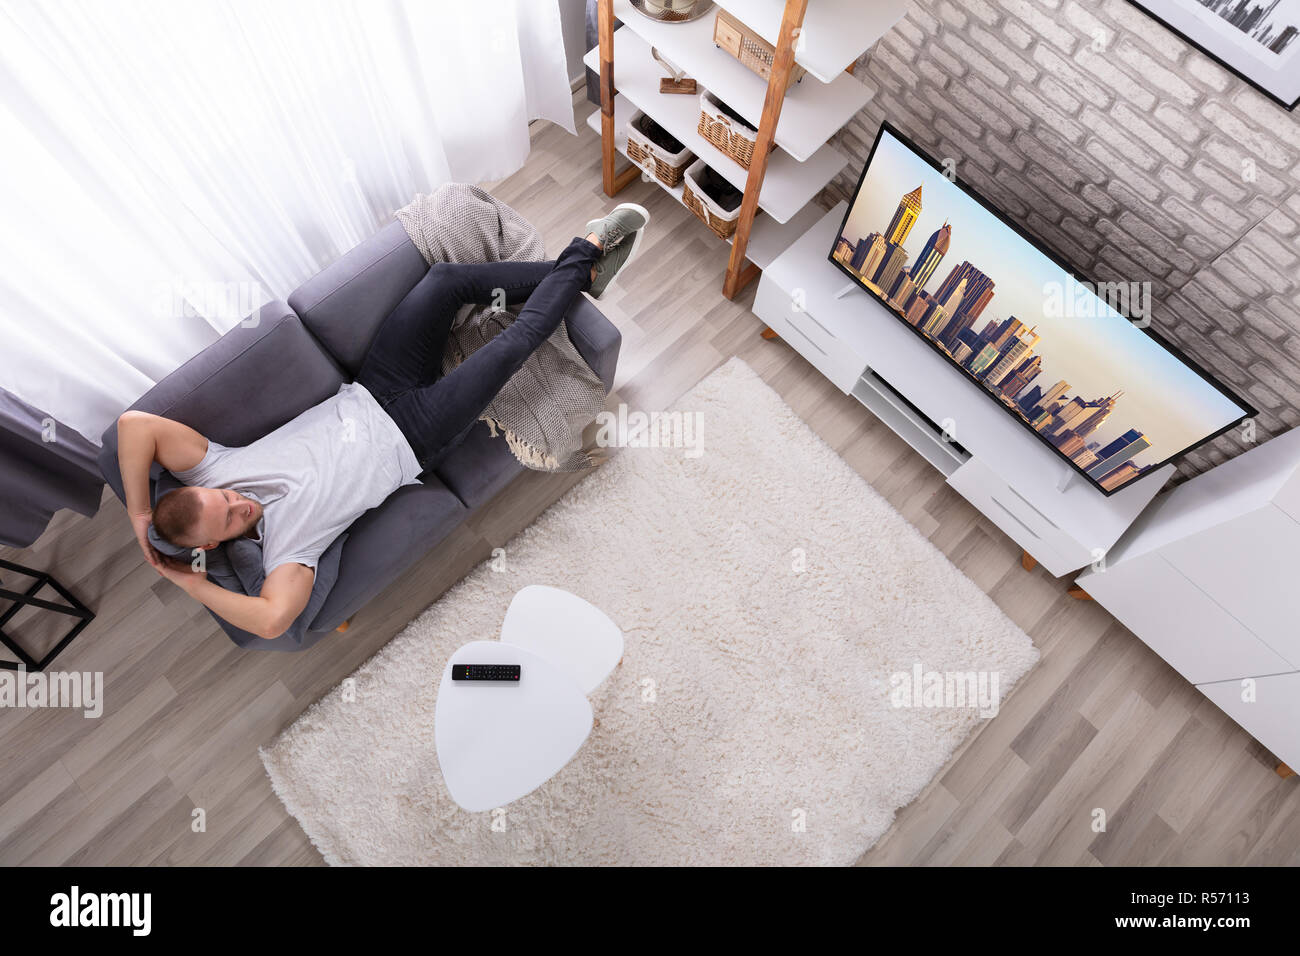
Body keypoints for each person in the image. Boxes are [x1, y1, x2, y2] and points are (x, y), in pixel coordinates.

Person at [116, 203, 650, 640]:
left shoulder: (210, 474)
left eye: (226, 499)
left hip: (374, 386)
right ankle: (587, 255)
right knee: (515, 344)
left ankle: (580, 276)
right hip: (415, 437)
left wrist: (141, 516)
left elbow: (135, 426)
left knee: (443, 282)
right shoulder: (285, 554)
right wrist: (186, 581)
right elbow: (274, 621)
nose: (240, 503)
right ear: (212, 546)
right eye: (230, 520)